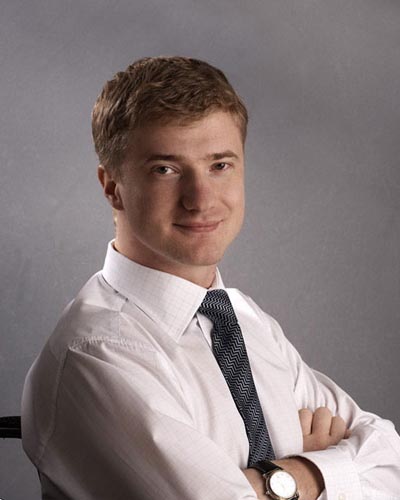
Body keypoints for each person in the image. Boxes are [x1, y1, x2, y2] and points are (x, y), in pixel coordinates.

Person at [22, 56, 400, 500]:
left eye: (220, 165)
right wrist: (320, 471)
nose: (201, 200)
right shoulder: (97, 352)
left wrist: (290, 478)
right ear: (112, 186)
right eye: (165, 169)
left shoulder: (244, 319)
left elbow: (391, 462)